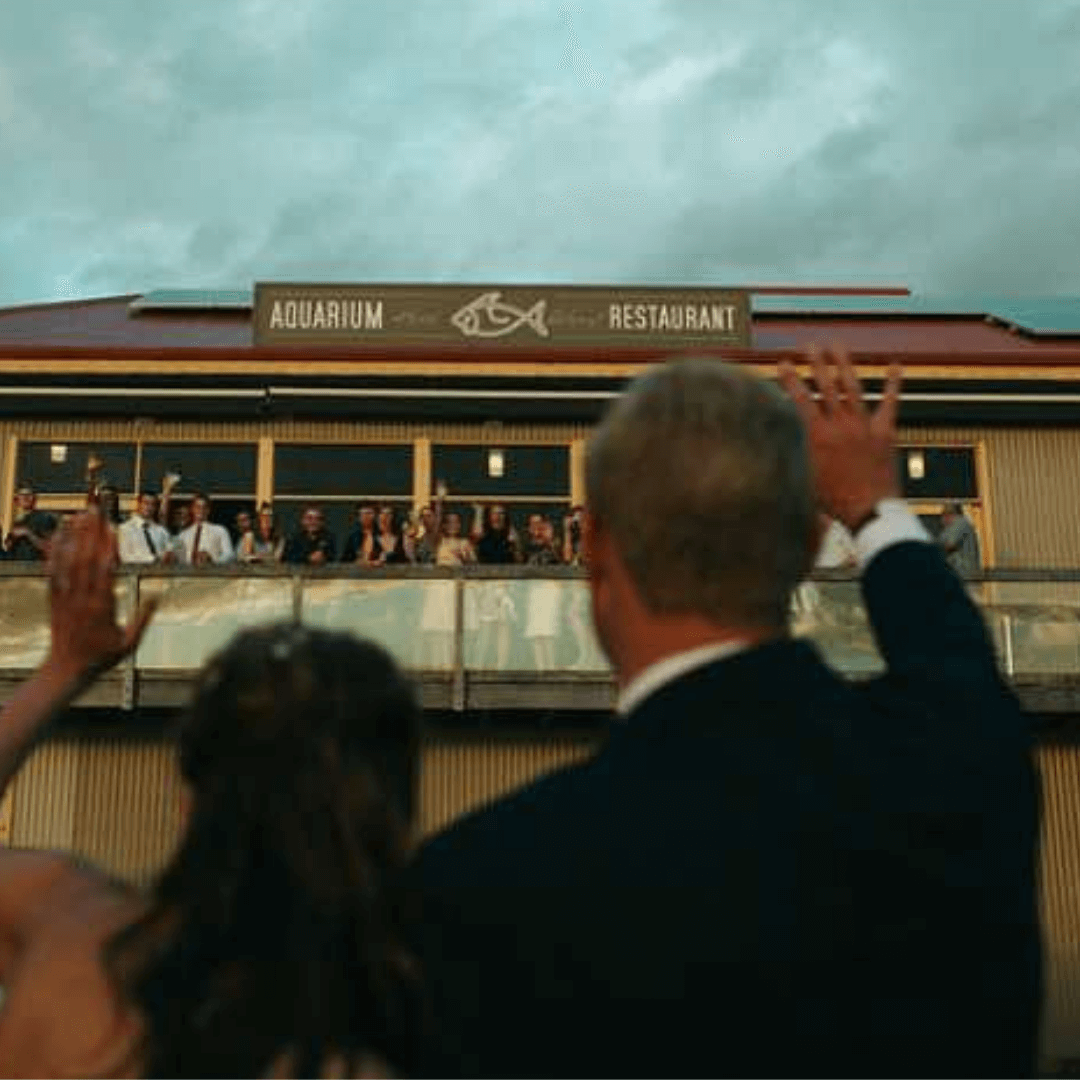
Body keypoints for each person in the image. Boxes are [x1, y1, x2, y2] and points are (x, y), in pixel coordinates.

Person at [409, 349, 1041, 1078]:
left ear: (593, 547)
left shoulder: (475, 890)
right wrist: (873, 505)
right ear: (808, 546)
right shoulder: (955, 768)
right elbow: (953, 656)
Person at [0, 512, 423, 1077]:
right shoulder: (374, 1052)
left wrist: (62, 669)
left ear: (189, 802)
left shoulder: (69, 937)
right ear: (393, 822)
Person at [3, 483, 57, 561]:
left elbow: (48, 547)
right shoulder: (19, 521)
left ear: (34, 499)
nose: (26, 498)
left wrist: (27, 533)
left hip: (35, 568)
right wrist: (11, 540)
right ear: (16, 501)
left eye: (28, 495)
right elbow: (9, 547)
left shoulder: (44, 518)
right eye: (22, 496)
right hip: (17, 567)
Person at [117, 492, 175, 565]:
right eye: (146, 503)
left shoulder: (161, 530)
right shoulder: (125, 529)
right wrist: (152, 559)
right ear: (139, 504)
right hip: (135, 574)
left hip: (159, 573)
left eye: (153, 505)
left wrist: (169, 554)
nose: (149, 507)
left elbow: (170, 550)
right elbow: (124, 557)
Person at [177, 494, 234, 566]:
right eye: (198, 507)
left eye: (204, 507)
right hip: (189, 575)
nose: (201, 510)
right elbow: (179, 557)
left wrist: (213, 560)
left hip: (211, 574)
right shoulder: (183, 535)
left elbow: (229, 555)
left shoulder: (220, 531)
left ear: (208, 510)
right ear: (192, 509)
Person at [938, 501, 981, 576]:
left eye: (945, 515)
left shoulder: (960, 523)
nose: (942, 519)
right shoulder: (948, 528)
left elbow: (949, 545)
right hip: (956, 574)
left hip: (966, 574)